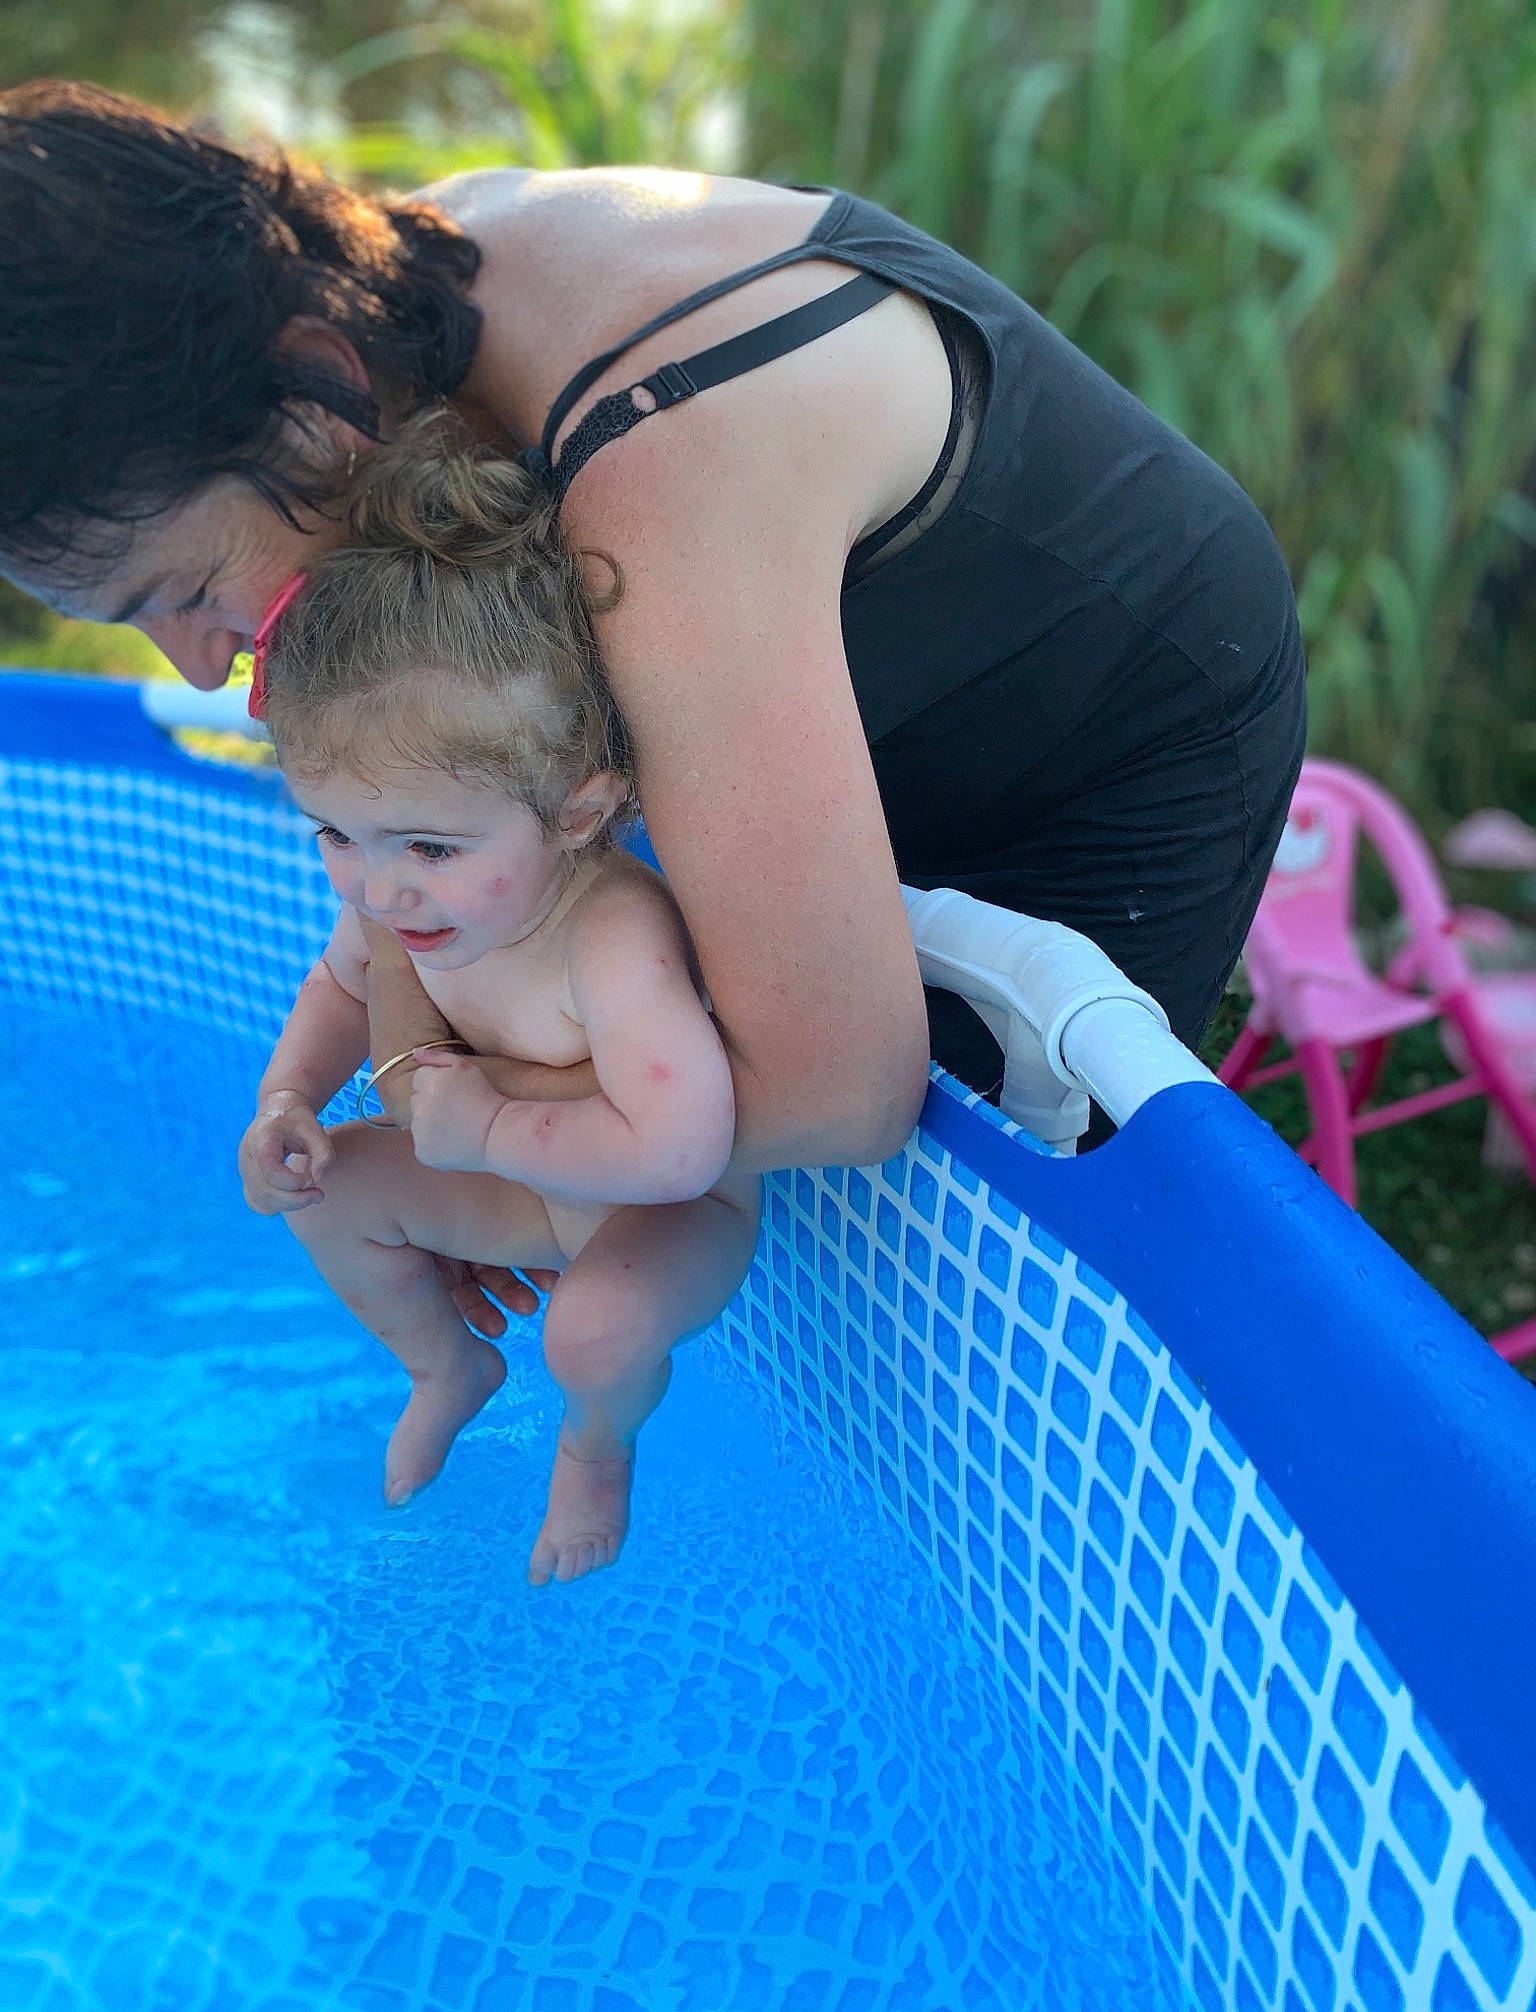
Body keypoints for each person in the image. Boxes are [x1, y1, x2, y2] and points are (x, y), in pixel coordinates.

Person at [0, 83, 1306, 1258]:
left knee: (917, 1230)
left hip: (1110, 719)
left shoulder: (659, 468)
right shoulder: (360, 296)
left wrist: (449, 1123)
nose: (200, 659)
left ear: (317, 391)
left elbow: (837, 1089)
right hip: (807, 648)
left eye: (179, 589)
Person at [237, 416, 760, 1584]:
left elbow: (684, 1146)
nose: (380, 884)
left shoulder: (609, 935)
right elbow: (340, 984)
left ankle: (596, 1437)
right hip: (520, 1194)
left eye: (426, 841)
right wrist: (287, 1101)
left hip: (661, 1219)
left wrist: (488, 1130)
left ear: (578, 811)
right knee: (323, 1192)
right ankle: (445, 1364)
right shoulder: (405, 900)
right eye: (337, 832)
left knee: (594, 1329)